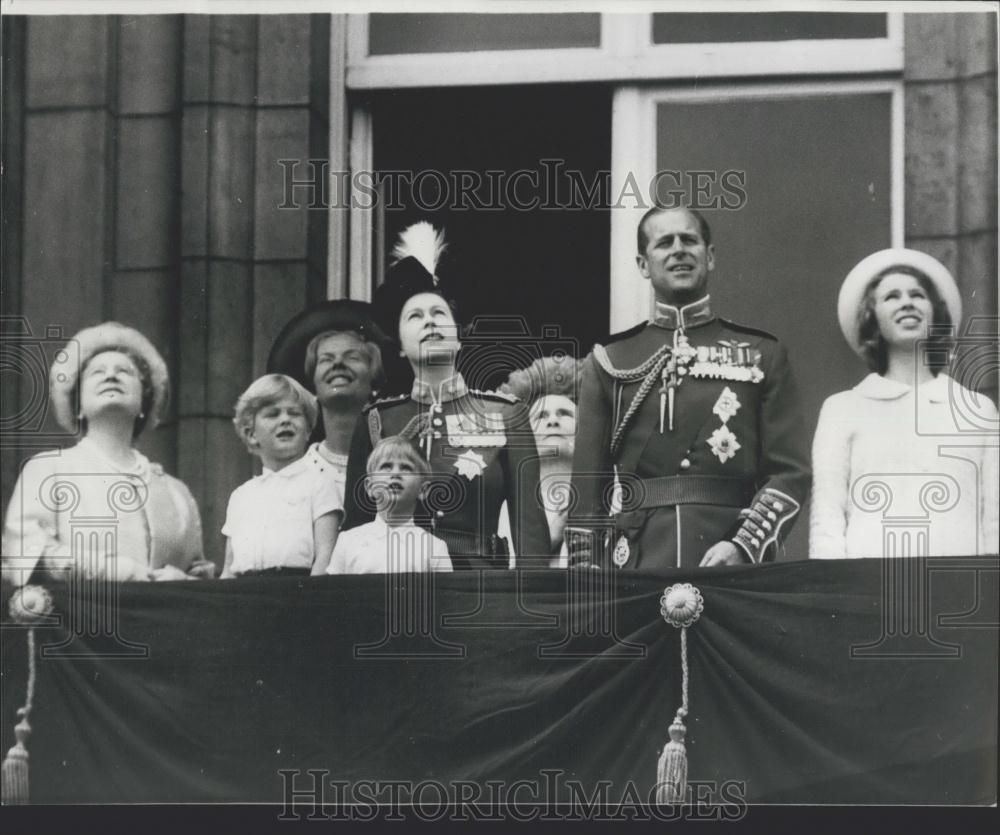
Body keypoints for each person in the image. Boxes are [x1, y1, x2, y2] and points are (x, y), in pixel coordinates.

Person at [567, 206, 811, 570]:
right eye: (664, 243)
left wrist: (744, 546)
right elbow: (587, 492)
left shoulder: (762, 354)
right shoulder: (610, 360)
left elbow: (790, 472)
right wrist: (586, 578)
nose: (679, 250)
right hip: (637, 560)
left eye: (689, 240)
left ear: (709, 257)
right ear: (642, 264)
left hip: (729, 557)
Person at [342, 221, 551, 570]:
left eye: (439, 313)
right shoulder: (377, 421)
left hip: (479, 587)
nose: (429, 322)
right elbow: (357, 525)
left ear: (459, 336)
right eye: (415, 316)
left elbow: (530, 532)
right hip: (394, 583)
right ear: (400, 347)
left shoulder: (505, 414)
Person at [810, 249, 999, 558]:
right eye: (891, 297)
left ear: (936, 312)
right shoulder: (842, 409)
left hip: (956, 589)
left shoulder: (978, 411)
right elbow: (827, 522)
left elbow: (995, 522)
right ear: (873, 319)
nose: (907, 302)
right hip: (868, 589)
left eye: (918, 294)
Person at [1, 322, 211, 584]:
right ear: (78, 407)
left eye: (124, 371)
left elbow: (201, 576)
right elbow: (24, 552)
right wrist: (119, 571)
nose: (111, 376)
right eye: (96, 372)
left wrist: (183, 580)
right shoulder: (47, 469)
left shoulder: (176, 491)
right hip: (79, 621)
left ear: (144, 404)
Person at [221, 374, 342, 578]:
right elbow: (229, 567)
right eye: (273, 414)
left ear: (308, 430)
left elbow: (325, 558)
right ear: (252, 434)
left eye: (294, 413)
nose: (285, 420)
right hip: (242, 597)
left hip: (295, 595)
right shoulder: (241, 496)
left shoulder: (320, 484)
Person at [267, 301, 387, 500]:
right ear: (313, 386)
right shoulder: (293, 477)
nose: (338, 363)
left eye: (352, 357)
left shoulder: (395, 465)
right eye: (326, 359)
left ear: (373, 380)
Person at [324, 436, 452, 575]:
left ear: (423, 490)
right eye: (386, 466)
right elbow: (334, 593)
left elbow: (444, 595)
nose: (395, 473)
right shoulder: (348, 541)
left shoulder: (434, 547)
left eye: (406, 468)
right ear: (370, 486)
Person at [501, 355, 584, 565]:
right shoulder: (502, 507)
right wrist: (552, 536)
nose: (553, 421)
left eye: (564, 414)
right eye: (541, 416)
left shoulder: (611, 497)